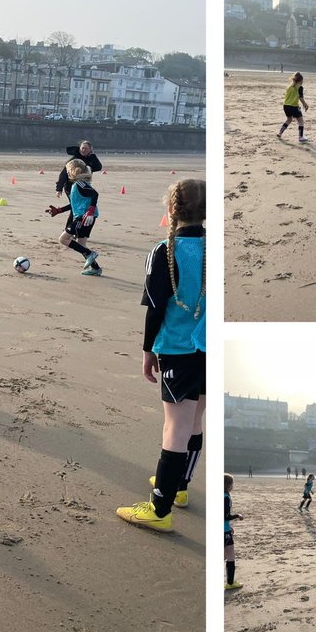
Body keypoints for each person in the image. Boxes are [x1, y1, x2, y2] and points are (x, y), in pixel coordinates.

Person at [116, 178, 205, 532]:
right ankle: (180, 487)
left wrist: (147, 350)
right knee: (195, 419)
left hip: (179, 348)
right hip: (209, 347)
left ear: (171, 210)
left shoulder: (164, 252)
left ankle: (160, 509)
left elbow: (155, 310)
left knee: (176, 426)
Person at [46, 158, 102, 274]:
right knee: (81, 244)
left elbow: (95, 194)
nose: (66, 173)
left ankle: (90, 254)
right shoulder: (76, 185)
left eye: (68, 171)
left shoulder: (79, 184)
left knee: (63, 239)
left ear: (73, 171)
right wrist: (59, 210)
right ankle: (96, 268)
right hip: (86, 217)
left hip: (84, 217)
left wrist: (90, 211)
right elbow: (73, 204)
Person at [276, 72, 309, 142]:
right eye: (302, 81)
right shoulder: (299, 87)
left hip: (285, 106)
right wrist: (305, 104)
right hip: (293, 106)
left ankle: (280, 132)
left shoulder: (289, 86)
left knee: (289, 119)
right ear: (300, 80)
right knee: (300, 121)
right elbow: (301, 98)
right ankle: (301, 137)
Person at [225, 473, 242, 591]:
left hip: (225, 529)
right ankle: (230, 583)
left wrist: (229, 526)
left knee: (226, 554)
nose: (233, 486)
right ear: (228, 485)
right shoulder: (226, 497)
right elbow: (225, 516)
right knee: (230, 555)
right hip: (224, 532)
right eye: (232, 484)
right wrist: (237, 516)